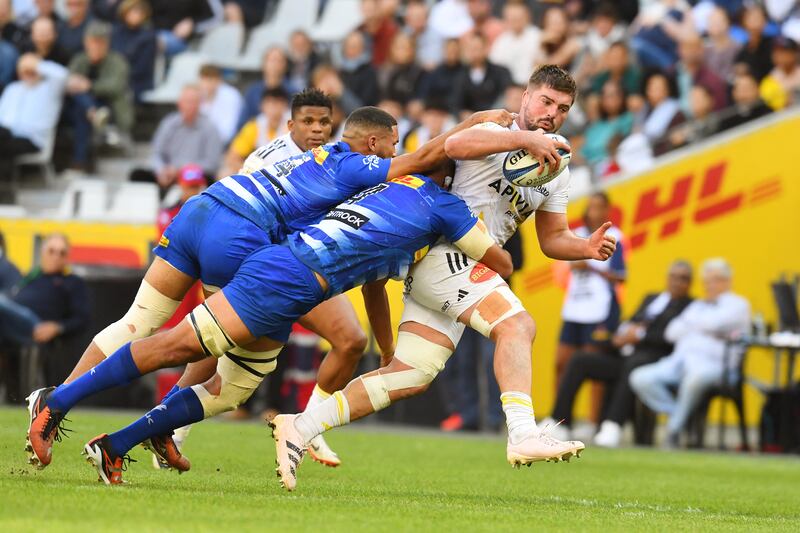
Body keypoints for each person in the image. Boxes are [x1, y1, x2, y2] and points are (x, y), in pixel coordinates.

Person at [25, 105, 516, 472]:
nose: (397, 154)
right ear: (372, 144)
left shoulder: (350, 179)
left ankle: (123, 440)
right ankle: (62, 402)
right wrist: (503, 133)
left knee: (221, 370)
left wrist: (388, 349)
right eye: (392, 145)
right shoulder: (370, 175)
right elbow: (434, 157)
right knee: (192, 342)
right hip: (262, 250)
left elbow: (373, 284)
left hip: (210, 209)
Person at [274, 65, 617, 492]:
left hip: (462, 267)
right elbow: (455, 144)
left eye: (563, 108)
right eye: (546, 101)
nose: (552, 113)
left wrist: (584, 247)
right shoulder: (499, 125)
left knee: (411, 374)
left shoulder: (556, 167)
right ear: (526, 96)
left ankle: (300, 426)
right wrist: (525, 137)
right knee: (517, 325)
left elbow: (552, 239)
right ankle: (524, 432)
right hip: (445, 251)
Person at [540, 261, 694, 446]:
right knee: (580, 360)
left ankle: (612, 425)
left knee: (633, 364)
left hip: (655, 359)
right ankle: (559, 421)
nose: (677, 282)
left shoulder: (691, 306)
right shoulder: (652, 298)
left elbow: (671, 338)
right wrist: (620, 336)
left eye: (683, 279)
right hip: (625, 354)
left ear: (690, 283)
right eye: (674, 277)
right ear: (667, 279)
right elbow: (632, 320)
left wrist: (640, 335)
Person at [630, 258, 750, 448]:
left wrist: (693, 325)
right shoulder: (698, 306)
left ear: (727, 281)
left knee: (695, 378)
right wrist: (702, 324)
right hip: (680, 361)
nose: (710, 285)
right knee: (640, 377)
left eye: (715, 280)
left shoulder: (737, 304)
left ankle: (673, 431)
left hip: (717, 367)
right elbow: (671, 332)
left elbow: (715, 323)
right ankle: (679, 416)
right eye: (707, 281)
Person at [555, 192, 626, 382]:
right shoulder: (575, 233)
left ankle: (595, 414)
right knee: (561, 363)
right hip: (574, 305)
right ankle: (558, 412)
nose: (593, 210)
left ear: (606, 210)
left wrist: (591, 266)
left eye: (598, 206)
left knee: (592, 365)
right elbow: (562, 265)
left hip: (599, 307)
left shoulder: (615, 236)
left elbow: (620, 277)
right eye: (591, 205)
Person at [0, 234, 88, 350]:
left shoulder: (72, 282)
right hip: (11, 318)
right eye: (51, 251)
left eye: (62, 253)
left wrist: (58, 327)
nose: (56, 257)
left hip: (33, 323)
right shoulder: (33, 275)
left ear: (67, 258)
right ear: (43, 253)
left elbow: (82, 318)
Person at [65, 19, 133, 170]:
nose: (96, 45)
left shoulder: (118, 61)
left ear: (107, 43)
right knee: (80, 104)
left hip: (110, 108)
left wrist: (89, 85)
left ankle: (80, 161)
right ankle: (92, 111)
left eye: (100, 42)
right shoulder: (80, 59)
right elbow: (69, 82)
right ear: (86, 42)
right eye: (92, 41)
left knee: (81, 108)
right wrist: (77, 86)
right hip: (85, 110)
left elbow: (114, 87)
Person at [129, 84, 223, 190]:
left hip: (193, 176)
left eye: (193, 102)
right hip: (168, 174)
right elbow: (156, 152)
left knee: (202, 178)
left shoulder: (210, 128)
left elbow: (211, 163)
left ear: (200, 104)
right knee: (137, 175)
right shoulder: (169, 123)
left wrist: (181, 170)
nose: (190, 106)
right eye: (187, 101)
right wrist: (161, 170)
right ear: (179, 103)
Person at [0, 53, 67, 186]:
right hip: (6, 134)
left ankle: (6, 190)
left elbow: (62, 75)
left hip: (32, 139)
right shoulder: (12, 89)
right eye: (25, 70)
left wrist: (37, 64)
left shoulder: (49, 89)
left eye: (32, 70)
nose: (28, 73)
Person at [222, 87, 288, 177]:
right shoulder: (254, 126)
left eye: (277, 103)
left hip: (285, 173)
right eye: (269, 103)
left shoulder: (292, 125)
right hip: (257, 174)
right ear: (262, 106)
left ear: (285, 106)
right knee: (225, 173)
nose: (273, 108)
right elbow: (232, 157)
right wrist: (251, 172)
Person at [451, 32, 512, 118]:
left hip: (496, 117)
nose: (473, 52)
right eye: (470, 49)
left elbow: (505, 96)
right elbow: (455, 103)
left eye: (476, 48)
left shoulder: (501, 72)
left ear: (486, 48)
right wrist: (462, 113)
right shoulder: (460, 76)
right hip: (470, 120)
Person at [110, 0, 157, 101]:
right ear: (125, 13)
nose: (136, 16)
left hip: (137, 81)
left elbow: (143, 67)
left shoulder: (148, 36)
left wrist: (120, 75)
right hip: (115, 77)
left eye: (140, 12)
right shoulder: (116, 33)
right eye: (133, 12)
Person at [488, 1, 542, 87]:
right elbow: (494, 66)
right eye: (511, 19)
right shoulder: (502, 40)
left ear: (527, 17)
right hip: (507, 88)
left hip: (532, 86)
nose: (515, 22)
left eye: (518, 18)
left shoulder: (538, 36)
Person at [198, 64, 243, 144]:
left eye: (210, 79)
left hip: (228, 143)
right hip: (204, 142)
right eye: (204, 80)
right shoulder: (198, 95)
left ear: (219, 80)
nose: (206, 84)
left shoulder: (231, 96)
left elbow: (228, 133)